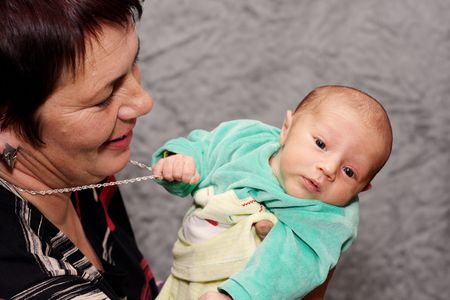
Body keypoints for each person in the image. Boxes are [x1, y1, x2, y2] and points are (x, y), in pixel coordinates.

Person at [0, 1, 279, 299]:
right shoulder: (26, 281)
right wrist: (284, 271)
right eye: (104, 97)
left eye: (134, 62)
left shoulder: (79, 166)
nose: (144, 102)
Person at [151, 85, 393, 299]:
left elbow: (290, 268)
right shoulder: (244, 141)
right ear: (287, 128)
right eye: (320, 144)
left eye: (349, 172)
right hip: (182, 277)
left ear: (362, 189)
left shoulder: (328, 219)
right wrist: (179, 162)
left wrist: (237, 296)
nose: (329, 169)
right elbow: (202, 150)